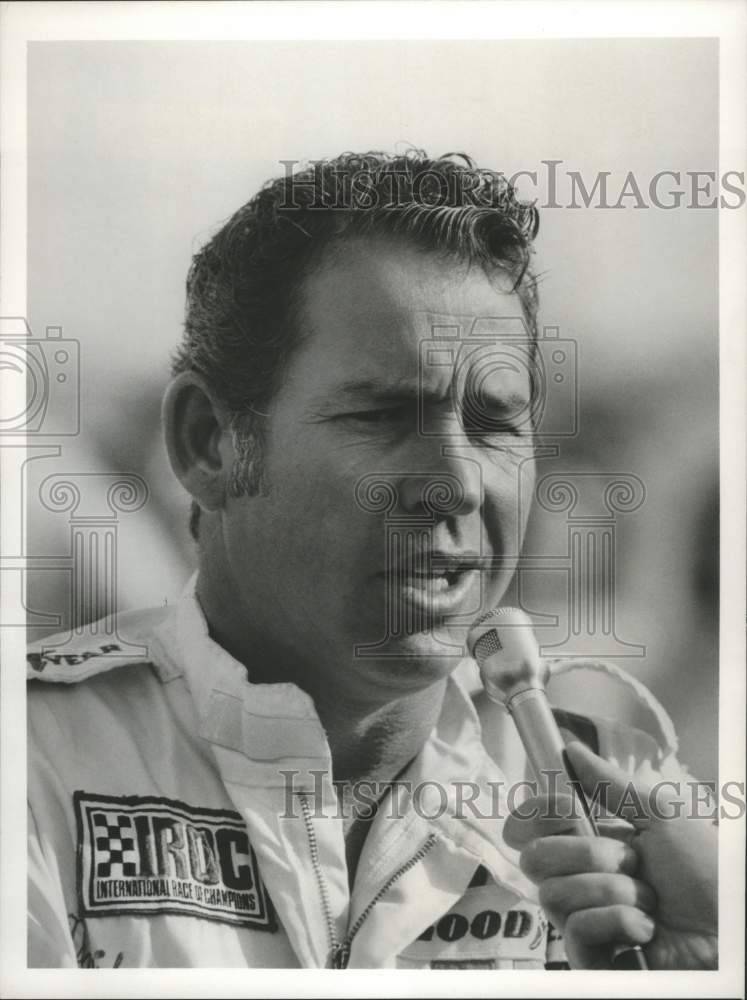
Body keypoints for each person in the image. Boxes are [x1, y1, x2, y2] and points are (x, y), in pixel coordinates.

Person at [27, 151, 717, 970]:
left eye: (495, 423)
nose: (457, 483)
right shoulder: (35, 766)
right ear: (209, 443)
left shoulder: (636, 817)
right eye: (383, 417)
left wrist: (702, 965)